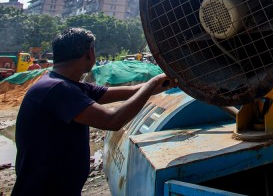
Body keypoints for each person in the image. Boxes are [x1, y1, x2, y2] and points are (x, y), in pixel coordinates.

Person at [12, 27, 177, 196]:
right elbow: (113, 120)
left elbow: (131, 90)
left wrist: (167, 82)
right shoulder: (57, 89)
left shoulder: (68, 85)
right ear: (89, 52)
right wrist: (152, 83)